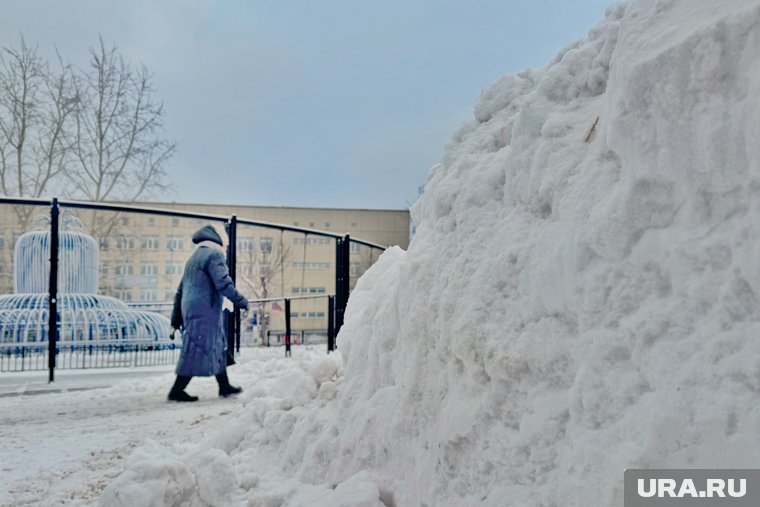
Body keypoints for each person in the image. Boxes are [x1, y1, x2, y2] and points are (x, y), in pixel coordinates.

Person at [168, 224, 249, 402]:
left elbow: (180, 291)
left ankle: (224, 385)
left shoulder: (193, 259)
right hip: (206, 311)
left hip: (191, 309)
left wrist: (176, 319)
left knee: (217, 345)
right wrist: (241, 301)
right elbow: (223, 283)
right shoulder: (214, 255)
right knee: (196, 348)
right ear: (216, 240)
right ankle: (177, 389)